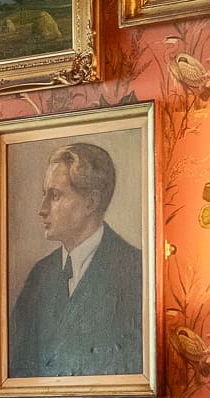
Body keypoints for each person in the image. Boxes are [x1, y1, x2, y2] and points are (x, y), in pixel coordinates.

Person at [7, 141, 144, 379]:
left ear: (91, 202)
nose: (42, 208)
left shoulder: (136, 271)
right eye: (44, 195)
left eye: (55, 195)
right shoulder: (40, 275)